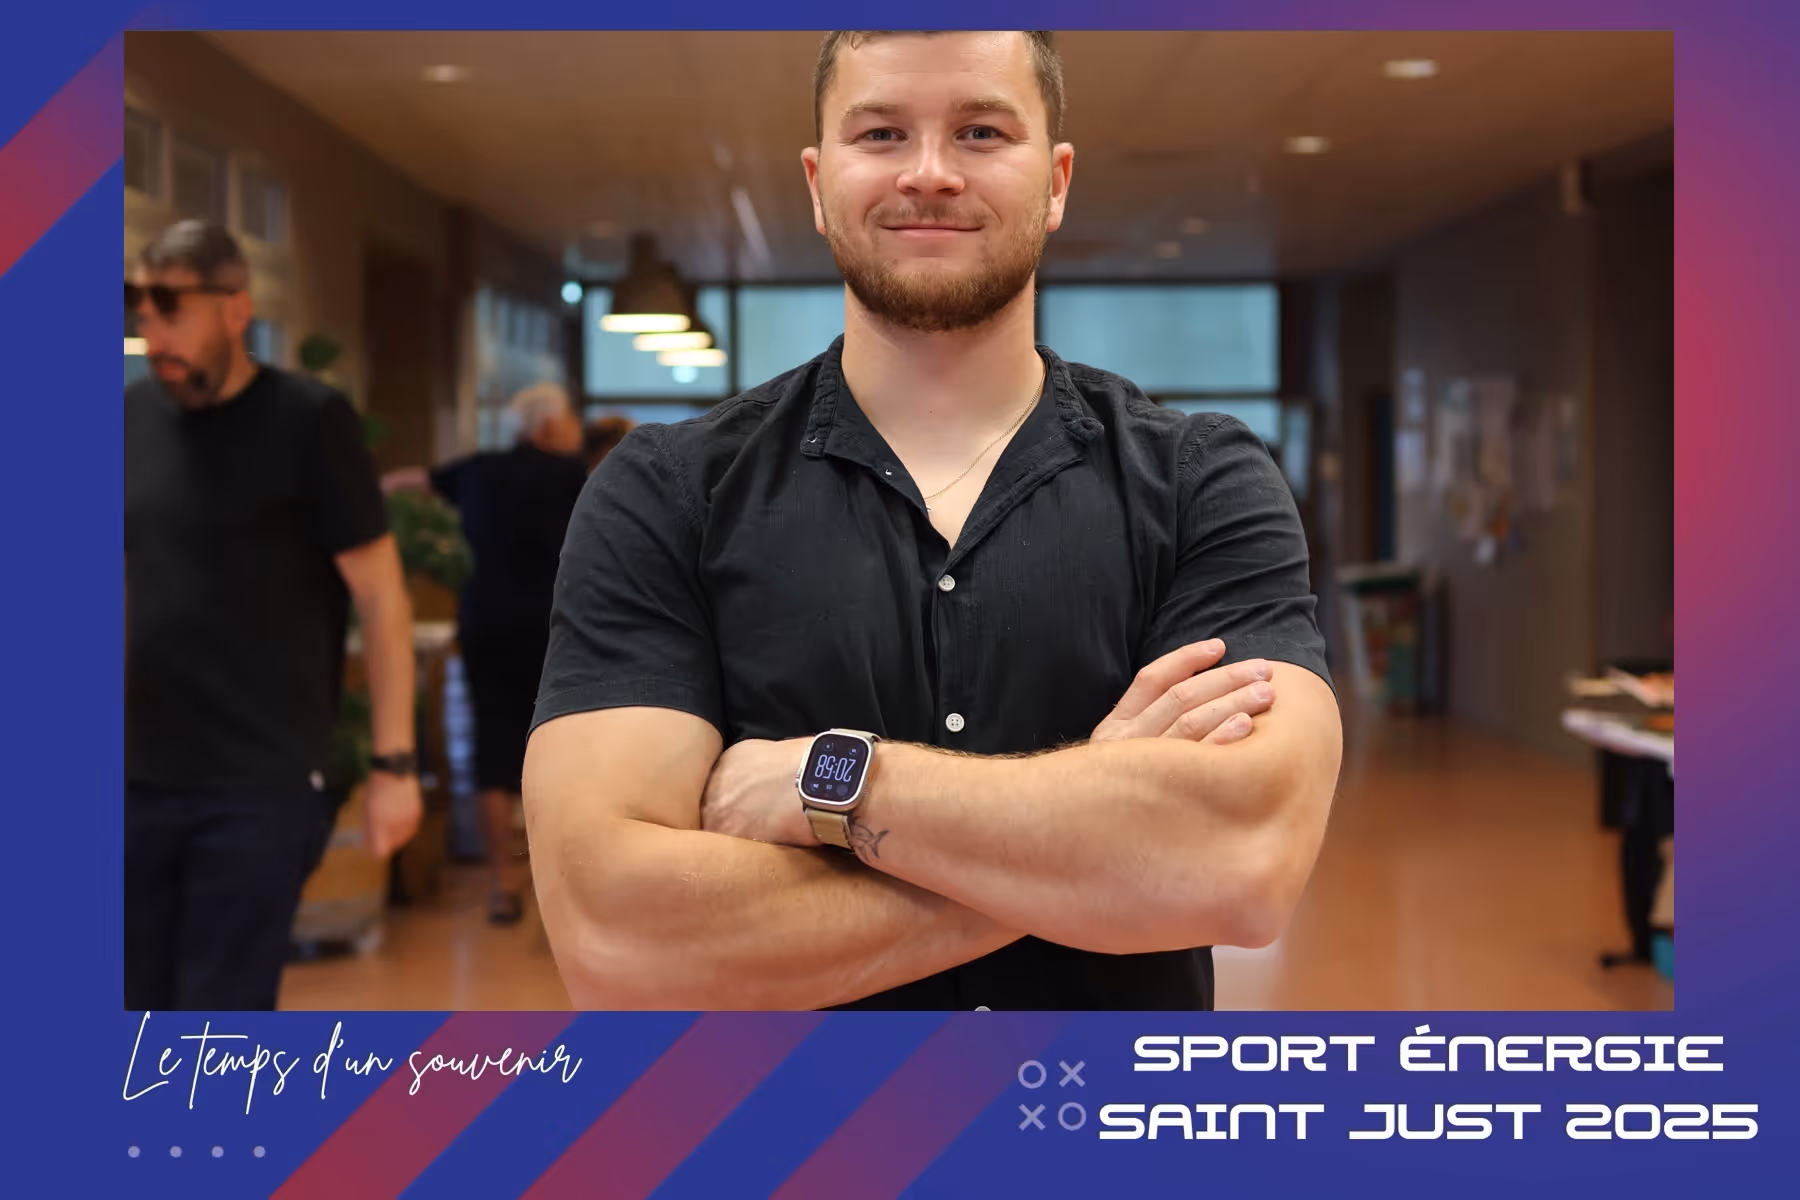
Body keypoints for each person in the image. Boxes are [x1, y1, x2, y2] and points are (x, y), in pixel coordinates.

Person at [525, 31, 1343, 1010]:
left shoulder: (1202, 479)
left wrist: (833, 785)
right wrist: (1096, 842)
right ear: (819, 183)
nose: (929, 174)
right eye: (881, 133)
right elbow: (618, 941)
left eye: (982, 131)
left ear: (1056, 179)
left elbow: (1241, 865)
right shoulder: (666, 493)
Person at [125, 220, 422, 1011]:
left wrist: (394, 767)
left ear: (234, 309)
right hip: (131, 777)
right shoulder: (130, 419)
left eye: (170, 308)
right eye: (140, 310)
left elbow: (382, 598)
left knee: (217, 1018)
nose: (151, 331)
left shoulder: (308, 420)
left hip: (259, 783)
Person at [384, 383, 588, 923]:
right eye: (569, 417)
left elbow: (409, 482)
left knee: (492, 749)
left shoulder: (478, 468)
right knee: (561, 749)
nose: (574, 427)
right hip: (556, 630)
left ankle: (502, 884)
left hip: (484, 625)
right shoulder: (573, 477)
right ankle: (559, 885)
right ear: (546, 426)